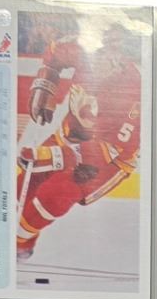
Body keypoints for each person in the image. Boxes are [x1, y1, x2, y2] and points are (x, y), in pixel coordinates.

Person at [15, 23, 143, 261]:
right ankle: (14, 234)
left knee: (55, 194)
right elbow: (55, 54)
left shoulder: (132, 92)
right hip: (70, 134)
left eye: (114, 53)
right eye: (103, 49)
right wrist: (46, 85)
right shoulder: (83, 50)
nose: (104, 57)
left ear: (124, 58)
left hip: (109, 159)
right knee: (23, 184)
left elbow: (100, 155)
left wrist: (46, 156)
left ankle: (20, 243)